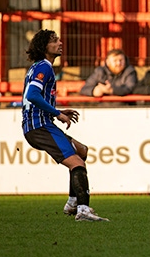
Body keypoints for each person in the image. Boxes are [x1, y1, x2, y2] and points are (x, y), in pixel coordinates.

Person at [21, 29, 108, 221]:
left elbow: (36, 96)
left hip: (37, 125)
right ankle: (83, 210)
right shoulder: (44, 67)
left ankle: (72, 203)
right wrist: (57, 113)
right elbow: (32, 96)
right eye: (54, 41)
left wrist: (55, 109)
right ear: (44, 47)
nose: (60, 43)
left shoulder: (37, 67)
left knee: (82, 151)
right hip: (40, 127)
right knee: (77, 163)